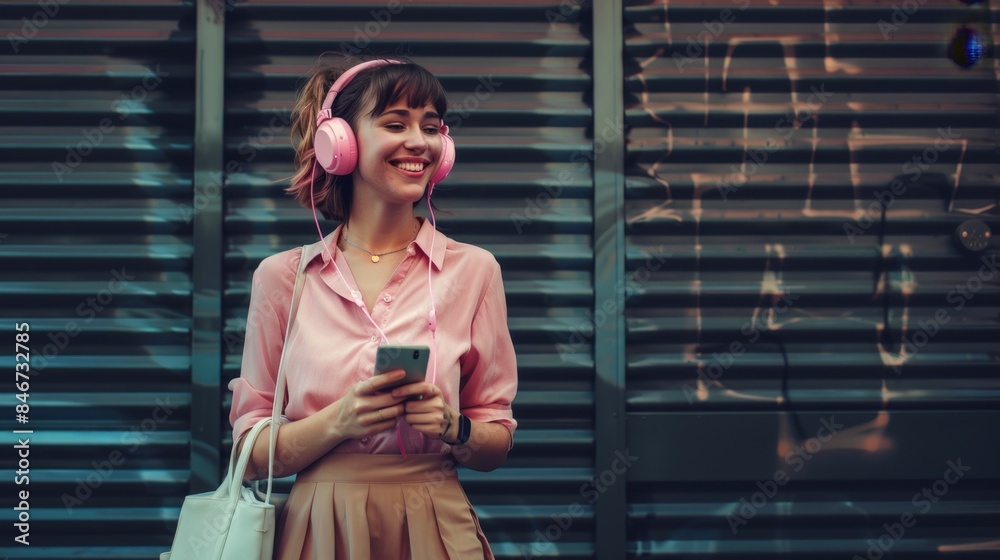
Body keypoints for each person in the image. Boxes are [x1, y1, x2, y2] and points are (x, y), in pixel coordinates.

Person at [227, 54, 518, 559]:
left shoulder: (474, 271)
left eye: (431, 126)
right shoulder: (282, 278)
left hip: (436, 523)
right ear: (339, 143)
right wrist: (341, 420)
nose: (419, 142)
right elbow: (248, 452)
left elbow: (496, 437)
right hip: (318, 530)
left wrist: (454, 427)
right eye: (395, 123)